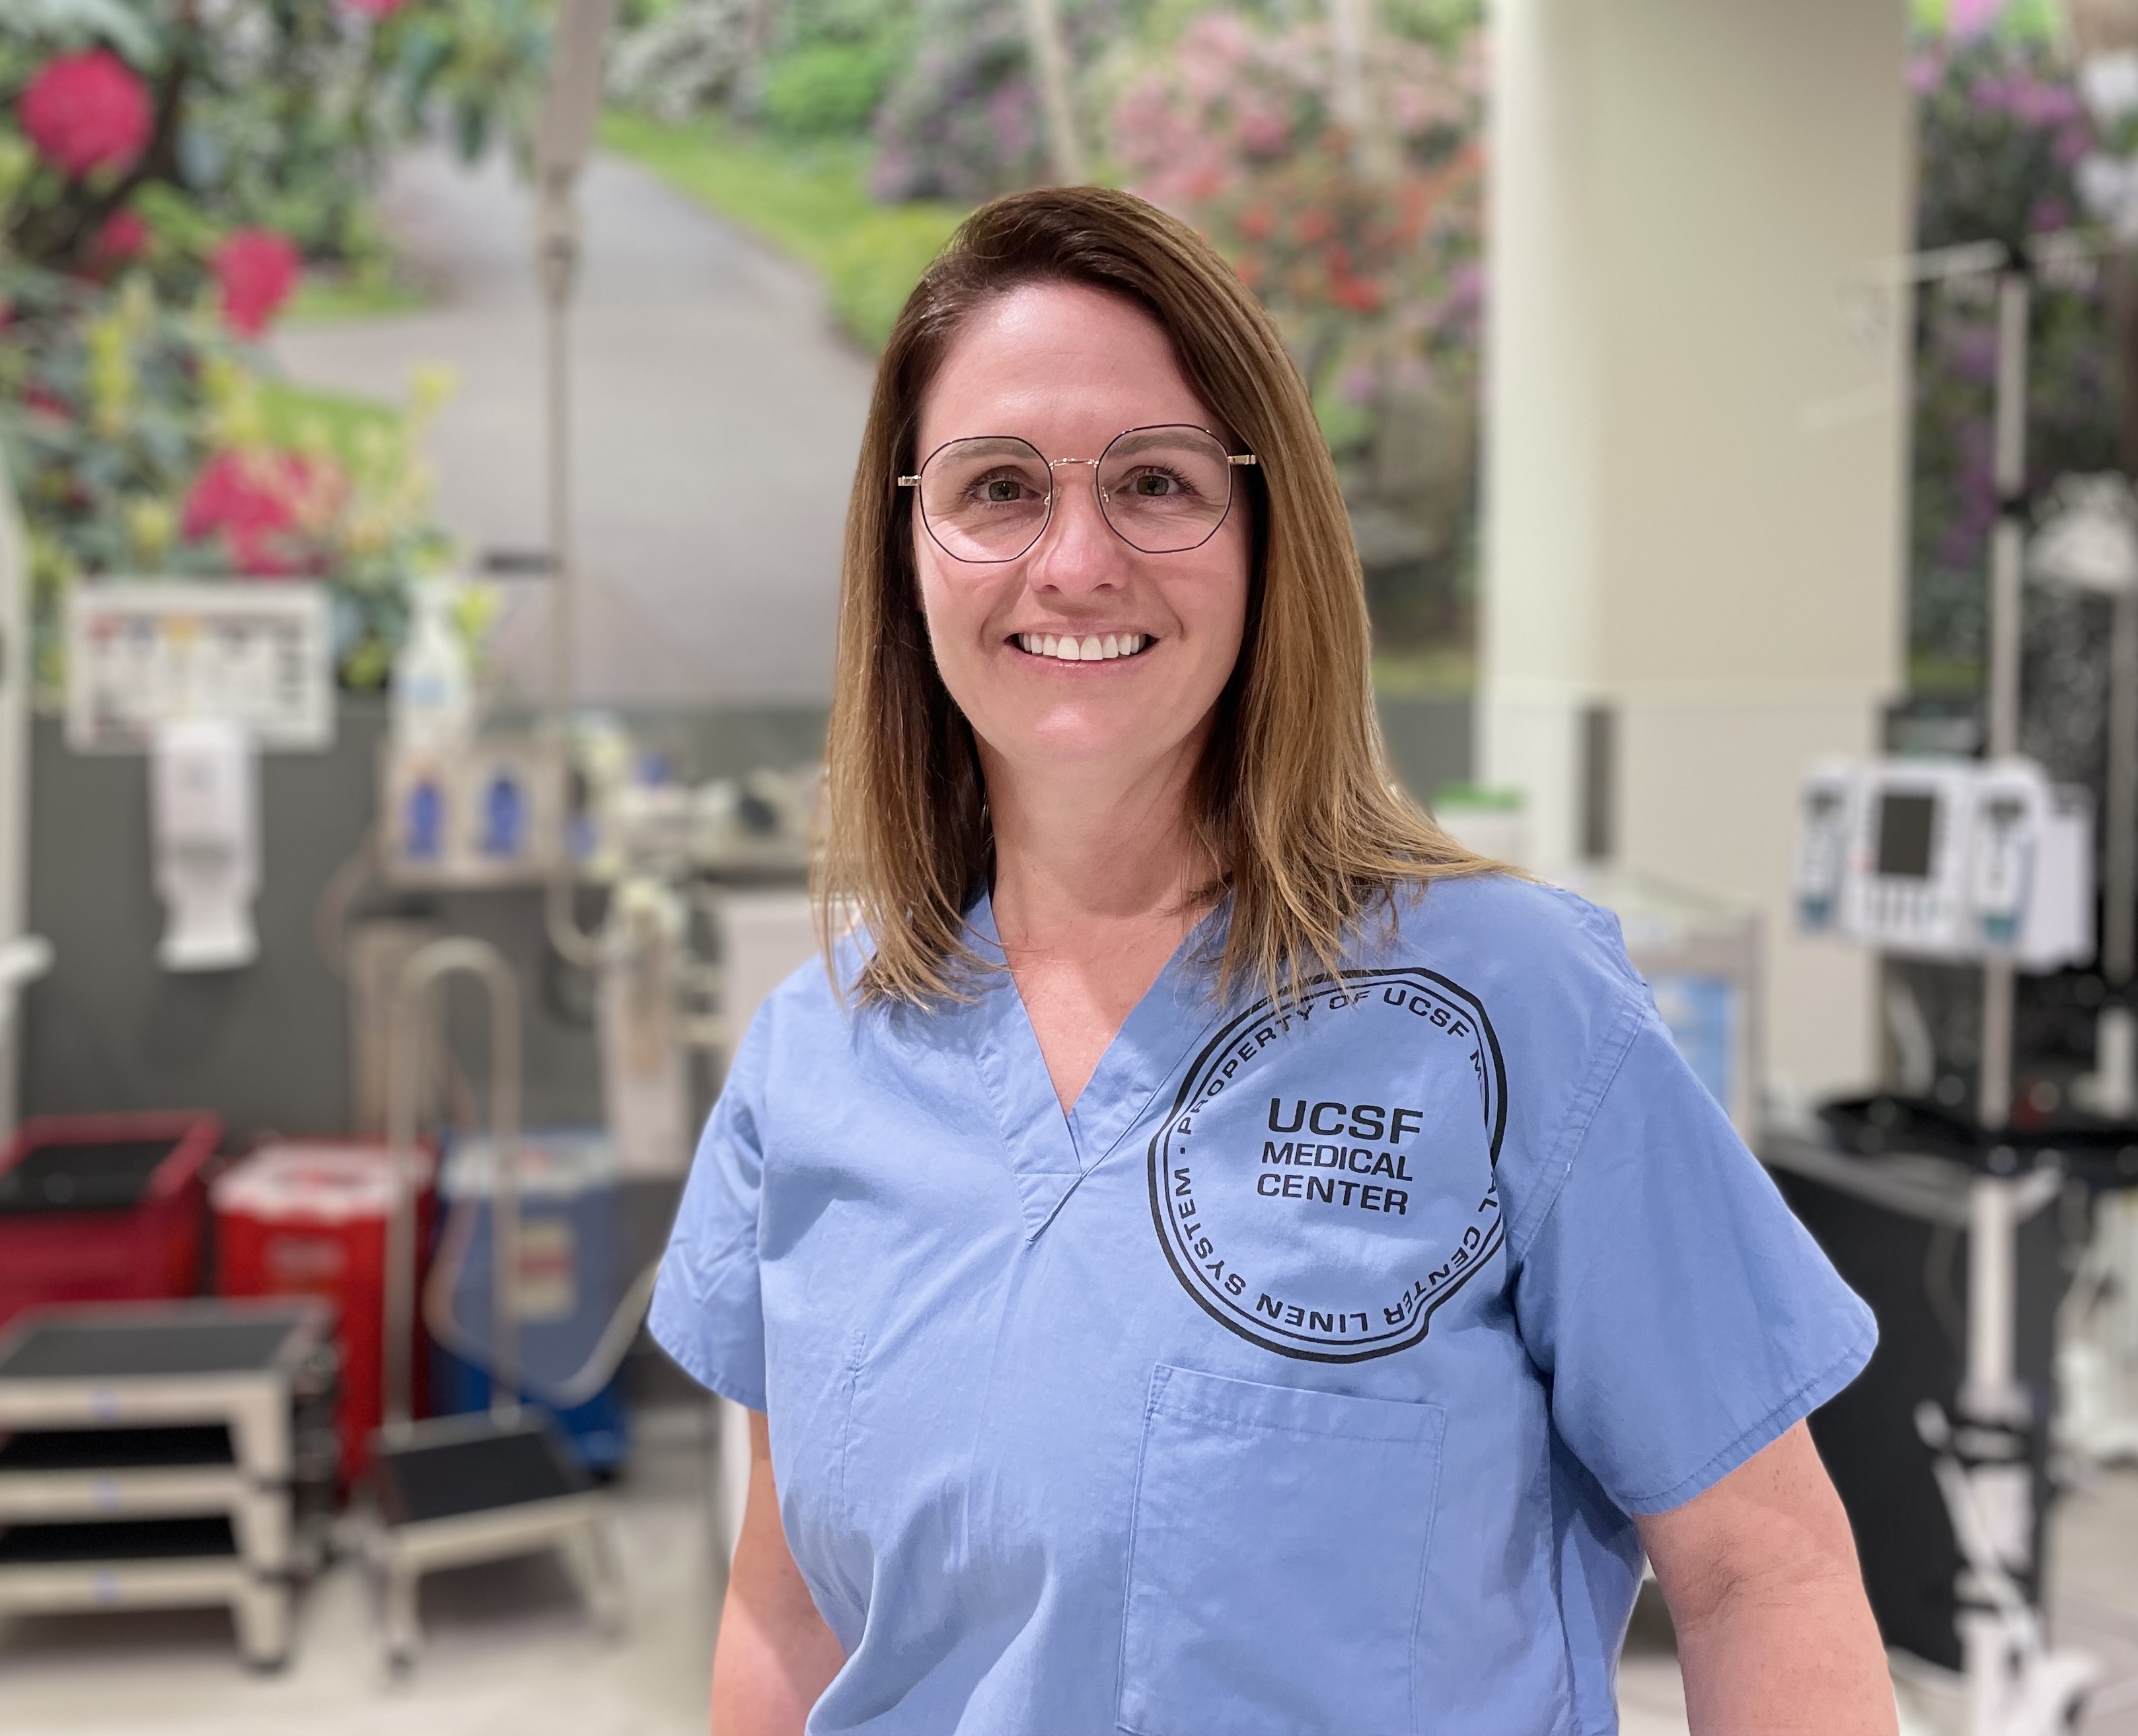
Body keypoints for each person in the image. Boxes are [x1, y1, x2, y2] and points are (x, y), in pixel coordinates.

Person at [650, 185, 1894, 1736]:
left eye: (1158, 482)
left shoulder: (1509, 1008)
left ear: (1267, 532)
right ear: (909, 546)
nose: (1077, 561)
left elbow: (1760, 1577)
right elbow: (788, 1612)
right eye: (999, 489)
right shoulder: (815, 1057)